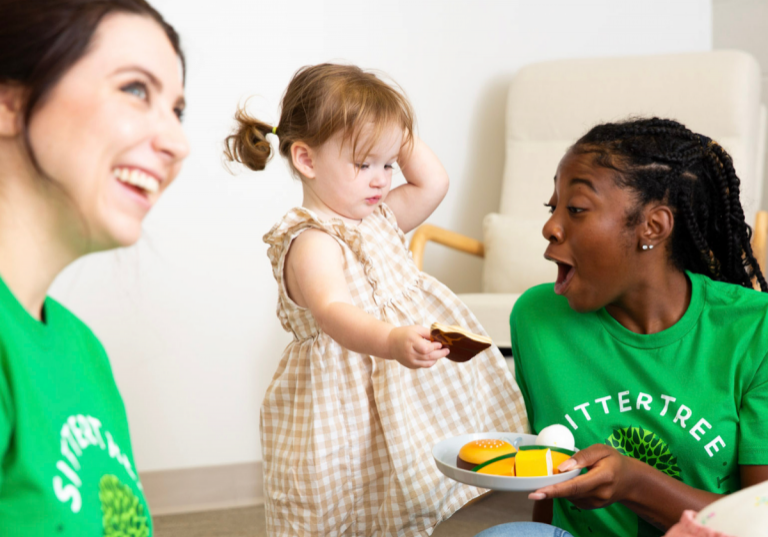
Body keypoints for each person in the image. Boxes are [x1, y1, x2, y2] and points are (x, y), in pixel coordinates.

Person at [224, 63, 528, 536]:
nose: (382, 179)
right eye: (364, 163)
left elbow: (434, 183)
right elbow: (333, 311)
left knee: (396, 500)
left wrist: (392, 132)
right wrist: (390, 340)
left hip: (394, 393)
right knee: (341, 508)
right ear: (306, 161)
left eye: (388, 164)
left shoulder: (381, 218)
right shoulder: (311, 239)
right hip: (341, 401)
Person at [475, 117, 768, 537]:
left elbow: (760, 518)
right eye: (552, 208)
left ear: (653, 226)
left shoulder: (755, 329)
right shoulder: (537, 317)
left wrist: (634, 483)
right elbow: (551, 476)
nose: (550, 227)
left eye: (575, 209)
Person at [0, 1, 189, 535]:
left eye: (177, 110)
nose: (179, 143)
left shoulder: (82, 350)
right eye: (135, 89)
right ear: (10, 102)